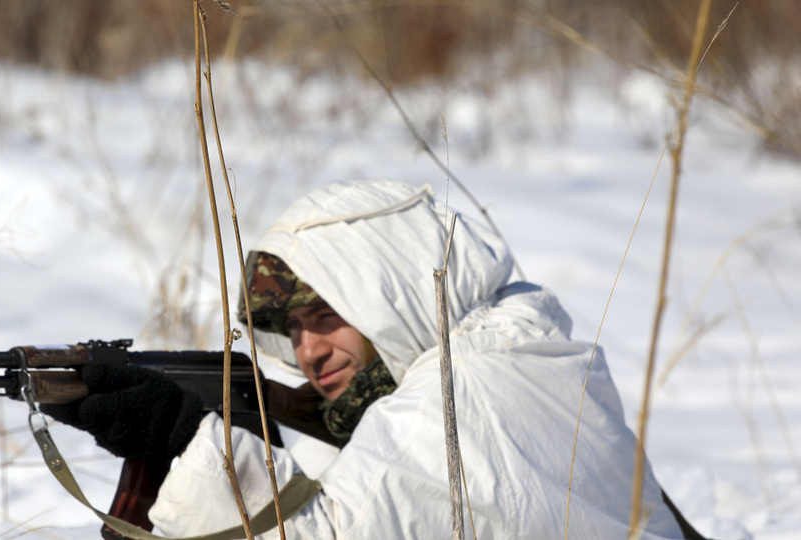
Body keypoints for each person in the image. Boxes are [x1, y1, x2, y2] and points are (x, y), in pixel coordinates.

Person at [44, 179, 701, 539]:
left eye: (327, 316)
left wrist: (183, 438)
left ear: (397, 290)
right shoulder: (524, 349)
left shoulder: (456, 396)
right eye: (292, 330)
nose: (306, 352)